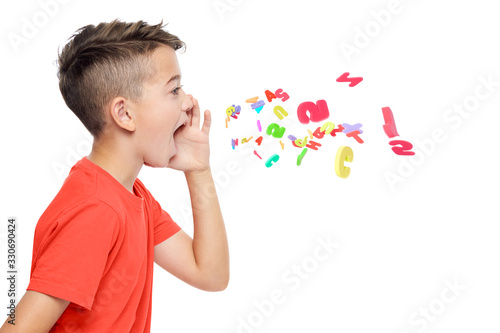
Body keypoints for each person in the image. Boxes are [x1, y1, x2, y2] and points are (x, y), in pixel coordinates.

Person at [0, 19, 229, 333]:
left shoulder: (133, 197)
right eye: (174, 89)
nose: (188, 101)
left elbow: (211, 274)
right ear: (124, 114)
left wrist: (198, 170)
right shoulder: (96, 210)